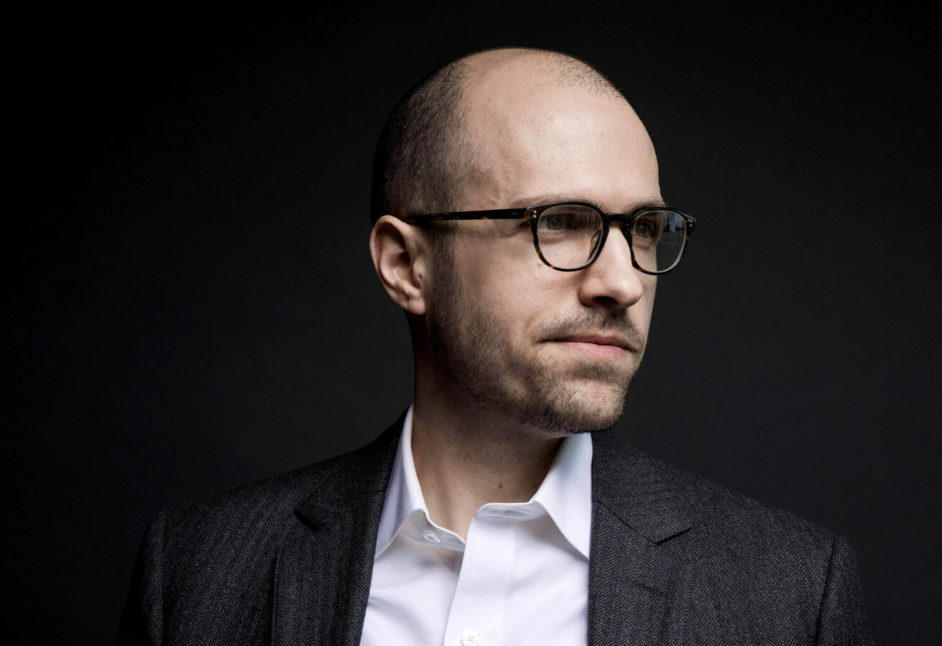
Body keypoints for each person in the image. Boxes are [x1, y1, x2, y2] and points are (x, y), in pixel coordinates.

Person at [116, 47, 873, 645]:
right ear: (407, 265)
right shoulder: (196, 569)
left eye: (644, 230)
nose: (623, 283)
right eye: (560, 221)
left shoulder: (789, 593)